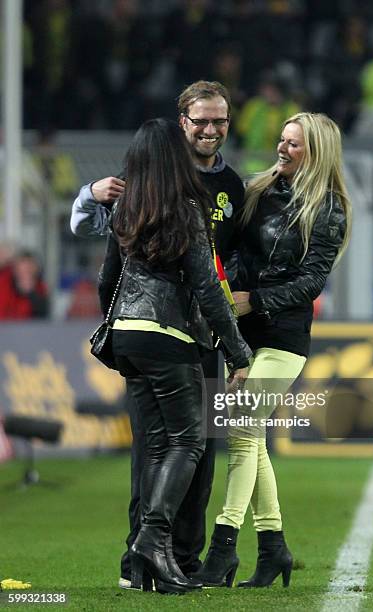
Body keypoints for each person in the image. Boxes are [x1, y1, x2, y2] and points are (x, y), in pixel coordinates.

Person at [70, 81, 245, 587]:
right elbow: (209, 287)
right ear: (182, 129)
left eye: (220, 121)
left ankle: (167, 560)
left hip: (144, 334)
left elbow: (108, 277)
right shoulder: (162, 198)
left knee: (165, 450)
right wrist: (238, 349)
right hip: (175, 334)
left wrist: (119, 324)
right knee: (185, 443)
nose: (211, 130)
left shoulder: (221, 188)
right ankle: (148, 547)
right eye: (201, 122)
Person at [198, 112, 351, 587]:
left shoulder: (328, 208)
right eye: (282, 141)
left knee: (242, 433)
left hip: (284, 335)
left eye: (294, 145)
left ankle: (223, 548)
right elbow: (234, 252)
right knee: (252, 439)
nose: (282, 149)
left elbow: (311, 283)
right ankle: (273, 549)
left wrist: (254, 300)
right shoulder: (257, 190)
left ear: (317, 153)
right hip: (242, 332)